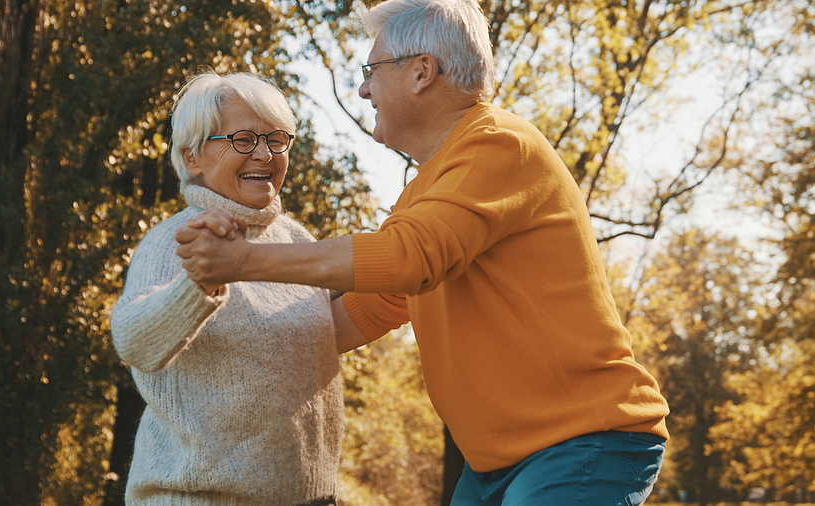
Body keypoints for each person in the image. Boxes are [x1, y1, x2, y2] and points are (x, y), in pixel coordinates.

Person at [175, 0, 670, 504]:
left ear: (421, 72)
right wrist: (214, 338)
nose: (364, 87)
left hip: (583, 437)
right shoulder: (428, 188)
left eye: (372, 70)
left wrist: (243, 260)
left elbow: (410, 257)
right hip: (495, 462)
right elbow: (371, 307)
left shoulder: (498, 145)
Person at [110, 71, 343, 506]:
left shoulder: (297, 241)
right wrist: (200, 284)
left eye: (276, 138)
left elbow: (321, 342)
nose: (265, 153)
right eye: (243, 139)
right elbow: (133, 342)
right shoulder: (174, 240)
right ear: (193, 156)